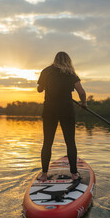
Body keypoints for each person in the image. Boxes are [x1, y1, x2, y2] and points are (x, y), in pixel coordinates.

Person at [37, 51, 87, 181]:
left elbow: (39, 89)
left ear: (55, 59)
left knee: (47, 142)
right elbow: (81, 91)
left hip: (49, 110)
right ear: (68, 61)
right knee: (70, 142)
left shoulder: (46, 71)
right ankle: (74, 174)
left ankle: (43, 174)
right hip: (66, 110)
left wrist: (44, 86)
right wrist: (84, 103)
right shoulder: (70, 73)